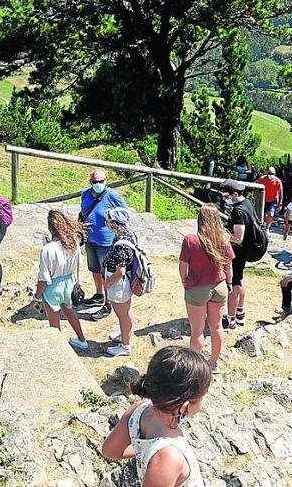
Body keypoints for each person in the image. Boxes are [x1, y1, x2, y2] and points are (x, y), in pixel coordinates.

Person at [102, 346, 211, 487]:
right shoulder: (169, 457)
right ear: (185, 405)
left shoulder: (139, 409)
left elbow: (110, 451)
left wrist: (145, 452)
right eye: (202, 396)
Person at [179, 205, 234, 371]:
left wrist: (184, 281)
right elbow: (229, 267)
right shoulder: (223, 239)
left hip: (197, 288)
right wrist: (229, 284)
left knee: (197, 330)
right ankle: (214, 363)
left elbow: (183, 266)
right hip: (219, 286)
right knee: (216, 327)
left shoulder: (190, 240)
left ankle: (195, 367)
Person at [33, 209, 89, 352]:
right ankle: (82, 340)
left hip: (52, 288)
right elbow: (79, 263)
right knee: (70, 312)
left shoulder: (47, 249)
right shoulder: (73, 243)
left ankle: (59, 351)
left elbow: (43, 279)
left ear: (50, 227)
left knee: (54, 323)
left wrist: (36, 297)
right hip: (69, 283)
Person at [80, 168, 129, 314]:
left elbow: (124, 214)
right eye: (95, 182)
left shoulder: (112, 195)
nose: (98, 184)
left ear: (106, 181)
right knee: (94, 269)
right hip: (89, 238)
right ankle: (99, 294)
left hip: (106, 242)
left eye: (101, 181)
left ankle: (108, 302)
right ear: (90, 182)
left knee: (106, 272)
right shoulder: (85, 194)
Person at [101, 207, 139, 357]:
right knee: (126, 312)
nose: (107, 223)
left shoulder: (121, 245)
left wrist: (107, 283)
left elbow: (120, 272)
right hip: (125, 280)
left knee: (123, 314)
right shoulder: (129, 234)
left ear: (114, 223)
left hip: (119, 283)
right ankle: (124, 335)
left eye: (109, 221)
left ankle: (125, 346)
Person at [218, 180, 255, 329]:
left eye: (227, 196)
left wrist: (222, 237)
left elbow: (238, 238)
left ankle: (231, 320)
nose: (225, 199)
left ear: (235, 194)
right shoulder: (247, 203)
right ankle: (240, 313)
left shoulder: (238, 211)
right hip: (246, 250)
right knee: (239, 281)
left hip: (238, 252)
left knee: (233, 285)